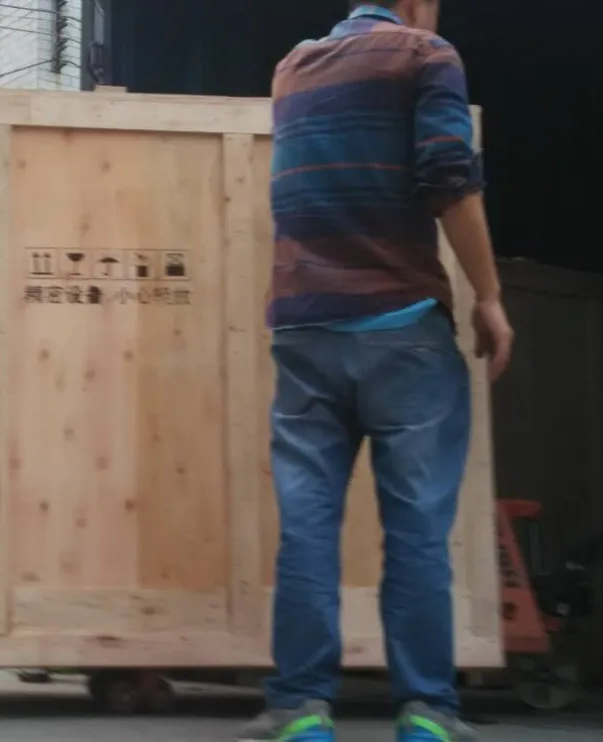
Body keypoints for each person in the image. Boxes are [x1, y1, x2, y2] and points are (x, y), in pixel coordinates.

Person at [242, 1, 514, 741]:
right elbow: (449, 178)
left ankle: (299, 708)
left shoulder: (293, 68)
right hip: (400, 328)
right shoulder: (426, 55)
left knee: (307, 523)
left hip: (304, 329)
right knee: (417, 528)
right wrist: (489, 297)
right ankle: (425, 711)